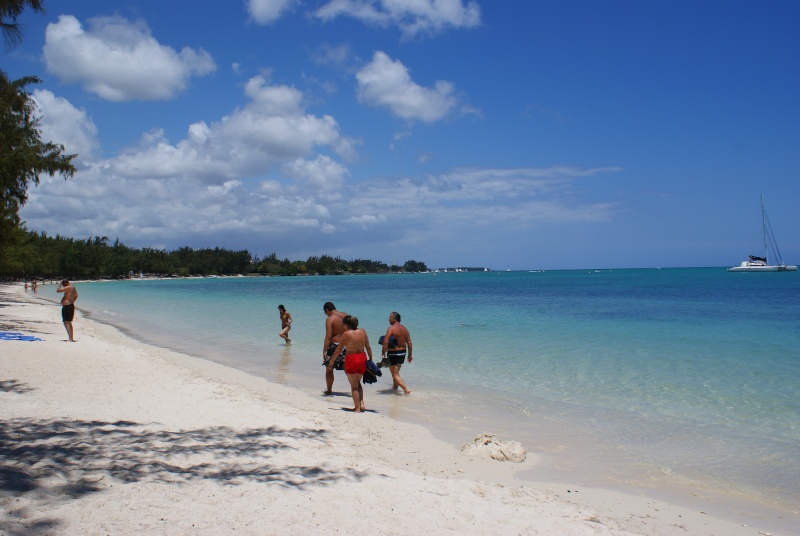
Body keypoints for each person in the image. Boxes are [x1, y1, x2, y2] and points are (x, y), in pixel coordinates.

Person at [331, 315, 372, 412]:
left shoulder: (346, 334)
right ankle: (361, 404)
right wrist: (370, 359)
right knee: (358, 383)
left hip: (351, 359)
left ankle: (357, 408)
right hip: (362, 358)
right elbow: (368, 346)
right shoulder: (363, 331)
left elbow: (339, 349)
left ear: (346, 325)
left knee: (354, 386)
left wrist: (332, 361)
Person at [382, 311, 413, 395]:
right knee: (396, 372)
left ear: (394, 319)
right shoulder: (405, 329)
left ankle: (406, 390)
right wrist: (410, 354)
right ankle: (395, 389)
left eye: (390, 318)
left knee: (394, 374)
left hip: (393, 353)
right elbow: (409, 342)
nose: (388, 320)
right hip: (403, 353)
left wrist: (383, 353)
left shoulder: (391, 329)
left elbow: (385, 342)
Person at [322, 301, 347, 394]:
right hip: (346, 345)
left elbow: (328, 336)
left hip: (334, 346)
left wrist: (324, 350)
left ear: (327, 310)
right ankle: (355, 388)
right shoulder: (345, 315)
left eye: (325, 313)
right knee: (348, 369)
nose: (326, 315)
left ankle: (329, 390)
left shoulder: (330, 319)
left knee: (329, 368)